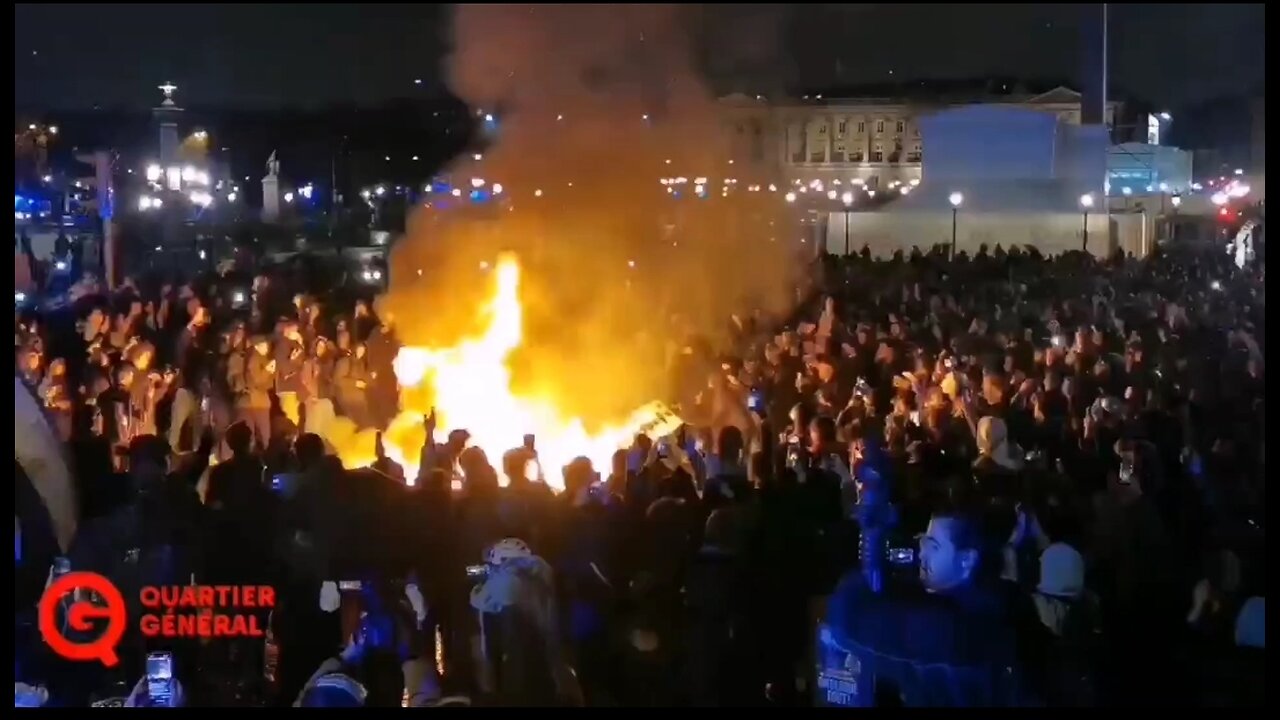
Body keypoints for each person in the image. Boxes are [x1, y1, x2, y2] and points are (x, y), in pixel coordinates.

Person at [819, 507, 1022, 707]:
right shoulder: (1004, 600)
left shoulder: (953, 625)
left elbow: (849, 620)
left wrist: (868, 562)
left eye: (933, 546)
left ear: (967, 560)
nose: (921, 553)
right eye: (923, 540)